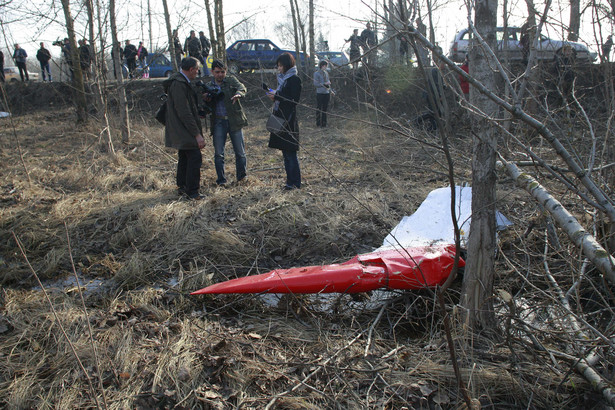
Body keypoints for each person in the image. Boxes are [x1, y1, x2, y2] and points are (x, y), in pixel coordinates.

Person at [163, 57, 206, 200]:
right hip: (184, 129)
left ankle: (182, 187)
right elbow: (184, 111)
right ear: (192, 69)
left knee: (185, 157)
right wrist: (197, 134)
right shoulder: (179, 84)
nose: (197, 72)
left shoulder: (180, 82)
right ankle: (192, 192)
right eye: (197, 70)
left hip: (182, 127)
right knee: (194, 158)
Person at [205, 60, 248, 186]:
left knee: (240, 152)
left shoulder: (231, 80)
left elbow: (242, 87)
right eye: (217, 72)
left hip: (234, 120)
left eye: (222, 72)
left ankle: (242, 178)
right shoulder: (208, 86)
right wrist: (206, 99)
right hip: (218, 121)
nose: (220, 75)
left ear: (226, 71)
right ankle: (221, 180)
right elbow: (205, 105)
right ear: (212, 72)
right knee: (219, 153)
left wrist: (239, 94)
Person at [267, 52, 302, 190]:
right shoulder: (283, 80)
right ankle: (289, 182)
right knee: (285, 153)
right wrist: (275, 96)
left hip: (289, 121)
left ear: (287, 65)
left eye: (280, 66)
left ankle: (295, 183)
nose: (279, 68)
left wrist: (278, 95)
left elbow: (293, 100)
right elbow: (283, 97)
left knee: (291, 153)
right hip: (280, 118)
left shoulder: (294, 79)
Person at [314, 60, 332, 127]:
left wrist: (330, 90)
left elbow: (328, 82)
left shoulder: (326, 73)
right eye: (325, 66)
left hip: (326, 92)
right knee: (319, 108)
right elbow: (316, 84)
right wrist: (324, 84)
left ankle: (324, 123)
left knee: (325, 108)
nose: (326, 67)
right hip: (320, 93)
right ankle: (318, 123)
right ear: (322, 66)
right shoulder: (316, 73)